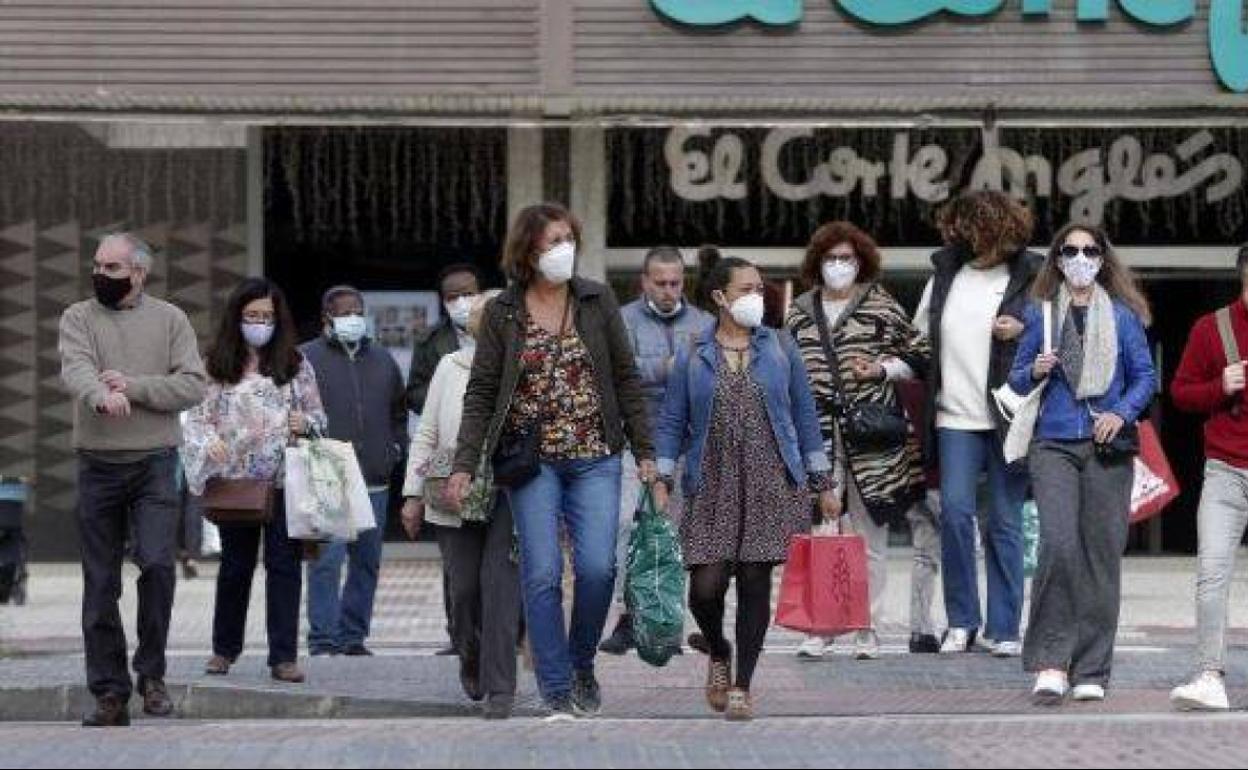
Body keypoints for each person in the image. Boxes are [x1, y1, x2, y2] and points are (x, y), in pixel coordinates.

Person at [445, 202, 655, 719]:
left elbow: (627, 378)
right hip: (531, 462)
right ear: (528, 253)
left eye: (568, 238)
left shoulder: (596, 298)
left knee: (598, 567)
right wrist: (464, 463)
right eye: (551, 242)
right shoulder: (502, 312)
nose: (563, 249)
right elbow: (483, 391)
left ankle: (581, 662)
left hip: (596, 456)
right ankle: (556, 685)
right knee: (539, 574)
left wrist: (646, 451)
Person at [656, 255, 837, 721]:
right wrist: (660, 475)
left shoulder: (780, 347)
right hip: (709, 480)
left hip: (770, 479)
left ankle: (742, 685)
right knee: (705, 588)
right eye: (746, 289)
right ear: (719, 297)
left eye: (760, 287)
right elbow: (673, 419)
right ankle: (718, 648)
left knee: (756, 582)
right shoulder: (692, 350)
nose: (757, 296)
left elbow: (805, 418)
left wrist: (822, 483)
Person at [58, 233, 208, 727]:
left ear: (139, 273)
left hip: (155, 464)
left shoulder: (171, 319)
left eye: (113, 267)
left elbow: (193, 384)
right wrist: (100, 393)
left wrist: (136, 387)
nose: (101, 274)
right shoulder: (79, 316)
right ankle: (109, 692)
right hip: (98, 464)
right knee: (100, 583)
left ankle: (152, 675)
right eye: (97, 265)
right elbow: (76, 368)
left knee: (159, 566)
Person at [1008, 224, 1155, 704]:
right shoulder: (1042, 314)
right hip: (1053, 443)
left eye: (1089, 250)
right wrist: (1034, 369)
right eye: (1069, 250)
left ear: (1102, 258)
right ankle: (1052, 662)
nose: (1079, 258)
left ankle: (1092, 667)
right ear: (1055, 259)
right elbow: (1015, 375)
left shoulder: (1123, 316)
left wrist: (1120, 413)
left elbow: (1144, 377)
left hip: (1106, 446)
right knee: (1058, 545)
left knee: (1100, 556)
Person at [785, 221, 931, 661]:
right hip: (817, 436)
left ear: (861, 261)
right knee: (823, 531)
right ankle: (823, 627)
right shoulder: (798, 313)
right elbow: (784, 371)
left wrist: (883, 370)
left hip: (872, 437)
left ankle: (866, 624)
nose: (839, 266)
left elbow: (919, 354)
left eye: (846, 258)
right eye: (831, 259)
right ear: (817, 263)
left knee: (869, 535)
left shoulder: (881, 306)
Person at [914, 190, 1042, 656]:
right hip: (954, 416)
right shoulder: (945, 275)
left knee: (1006, 522)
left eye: (975, 228)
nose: (966, 236)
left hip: (1009, 415)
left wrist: (1026, 328)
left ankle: (1005, 627)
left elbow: (1058, 331)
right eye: (961, 228)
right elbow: (918, 340)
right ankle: (963, 620)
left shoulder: (1029, 275)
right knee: (955, 513)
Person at [182, 278, 327, 686]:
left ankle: (283, 657)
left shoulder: (296, 364)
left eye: (266, 316)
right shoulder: (215, 364)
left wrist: (308, 423)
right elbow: (195, 419)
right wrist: (208, 444)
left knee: (284, 567)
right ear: (236, 317)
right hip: (235, 482)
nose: (260, 323)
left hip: (285, 481)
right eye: (252, 316)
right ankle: (223, 649)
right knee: (235, 567)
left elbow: (320, 417)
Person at [400, 290, 522, 720]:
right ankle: (469, 654)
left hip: (509, 492)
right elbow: (427, 432)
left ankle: (500, 688)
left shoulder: (524, 365)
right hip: (452, 492)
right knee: (465, 588)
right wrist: (412, 494)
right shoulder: (449, 367)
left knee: (502, 588)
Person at [599, 246, 712, 656]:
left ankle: (664, 618)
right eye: (660, 283)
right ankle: (628, 616)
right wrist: (665, 368)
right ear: (644, 281)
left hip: (686, 446)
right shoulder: (622, 319)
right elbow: (614, 372)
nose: (668, 290)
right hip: (636, 444)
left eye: (676, 283)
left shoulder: (704, 322)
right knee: (629, 529)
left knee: (673, 535)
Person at [302, 286, 409, 657]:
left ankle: (352, 637)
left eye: (358, 311)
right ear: (326, 319)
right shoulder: (305, 359)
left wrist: (395, 449)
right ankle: (323, 638)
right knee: (326, 562)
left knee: (367, 562)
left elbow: (399, 411)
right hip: (328, 474)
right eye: (345, 312)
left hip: (375, 477)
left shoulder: (382, 359)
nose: (353, 318)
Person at [1170, 243, 1248, 712]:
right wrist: (1221, 386)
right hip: (1224, 471)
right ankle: (1208, 675)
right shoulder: (1211, 328)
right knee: (1212, 574)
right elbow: (1180, 393)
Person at [406, 263, 483, 657]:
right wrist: (443, 395)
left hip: (491, 470)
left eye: (467, 293)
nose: (461, 302)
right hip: (445, 460)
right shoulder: (433, 342)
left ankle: (499, 636)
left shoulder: (500, 334)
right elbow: (415, 390)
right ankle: (460, 635)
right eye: (453, 297)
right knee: (456, 561)